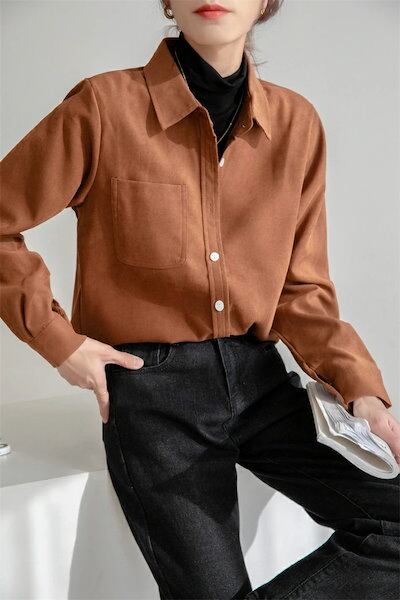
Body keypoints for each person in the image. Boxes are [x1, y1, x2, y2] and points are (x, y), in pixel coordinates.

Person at [1, 1, 399, 598]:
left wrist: (360, 390)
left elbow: (300, 289)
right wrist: (61, 343)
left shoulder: (296, 124)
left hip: (263, 384)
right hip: (155, 399)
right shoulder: (103, 107)